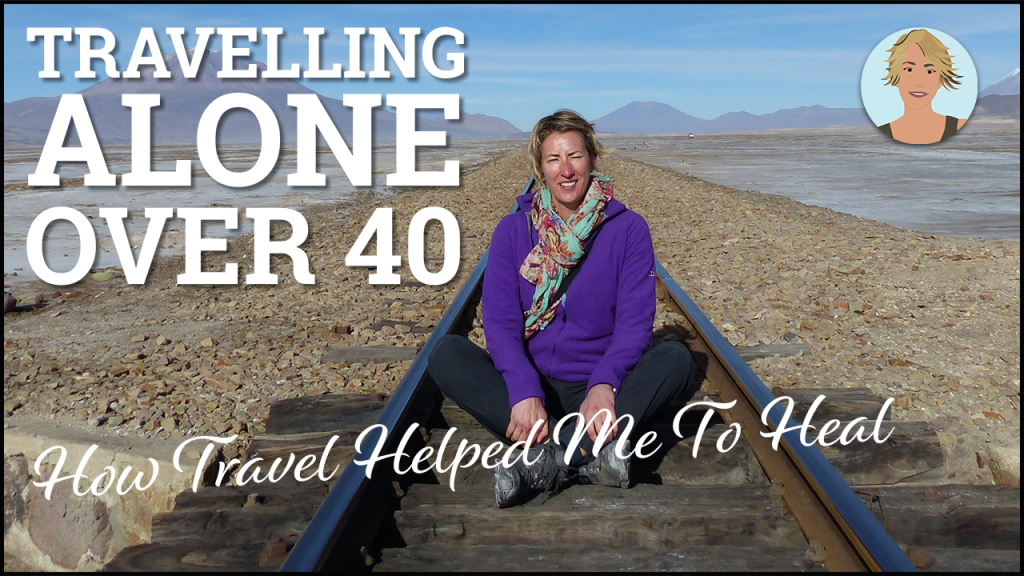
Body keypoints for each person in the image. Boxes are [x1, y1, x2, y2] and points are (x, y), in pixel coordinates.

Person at [428, 110, 699, 508]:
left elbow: (634, 325)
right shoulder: (514, 230)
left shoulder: (627, 229)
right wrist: (522, 390)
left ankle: (545, 462)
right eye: (554, 159)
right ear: (540, 168)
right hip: (532, 385)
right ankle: (587, 455)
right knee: (445, 354)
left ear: (592, 159)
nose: (566, 170)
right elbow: (501, 324)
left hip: (599, 391)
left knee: (676, 359)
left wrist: (604, 383)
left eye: (575, 156)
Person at [879, 29, 967, 144]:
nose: (919, 82)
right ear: (896, 77)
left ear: (940, 81)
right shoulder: (881, 132)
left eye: (930, 71)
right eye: (909, 70)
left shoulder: (960, 126)